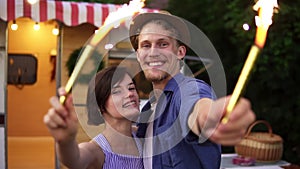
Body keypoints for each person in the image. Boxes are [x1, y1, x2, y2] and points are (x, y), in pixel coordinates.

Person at [129, 12, 256, 169]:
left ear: (180, 53)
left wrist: (207, 118)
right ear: (138, 55)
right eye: (146, 45)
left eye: (163, 44)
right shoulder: (149, 108)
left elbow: (196, 107)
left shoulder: (189, 90)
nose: (153, 52)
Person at [43, 66, 144, 169]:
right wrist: (66, 141)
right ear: (100, 106)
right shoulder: (96, 150)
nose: (129, 94)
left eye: (131, 88)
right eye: (117, 91)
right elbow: (75, 160)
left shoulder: (144, 135)